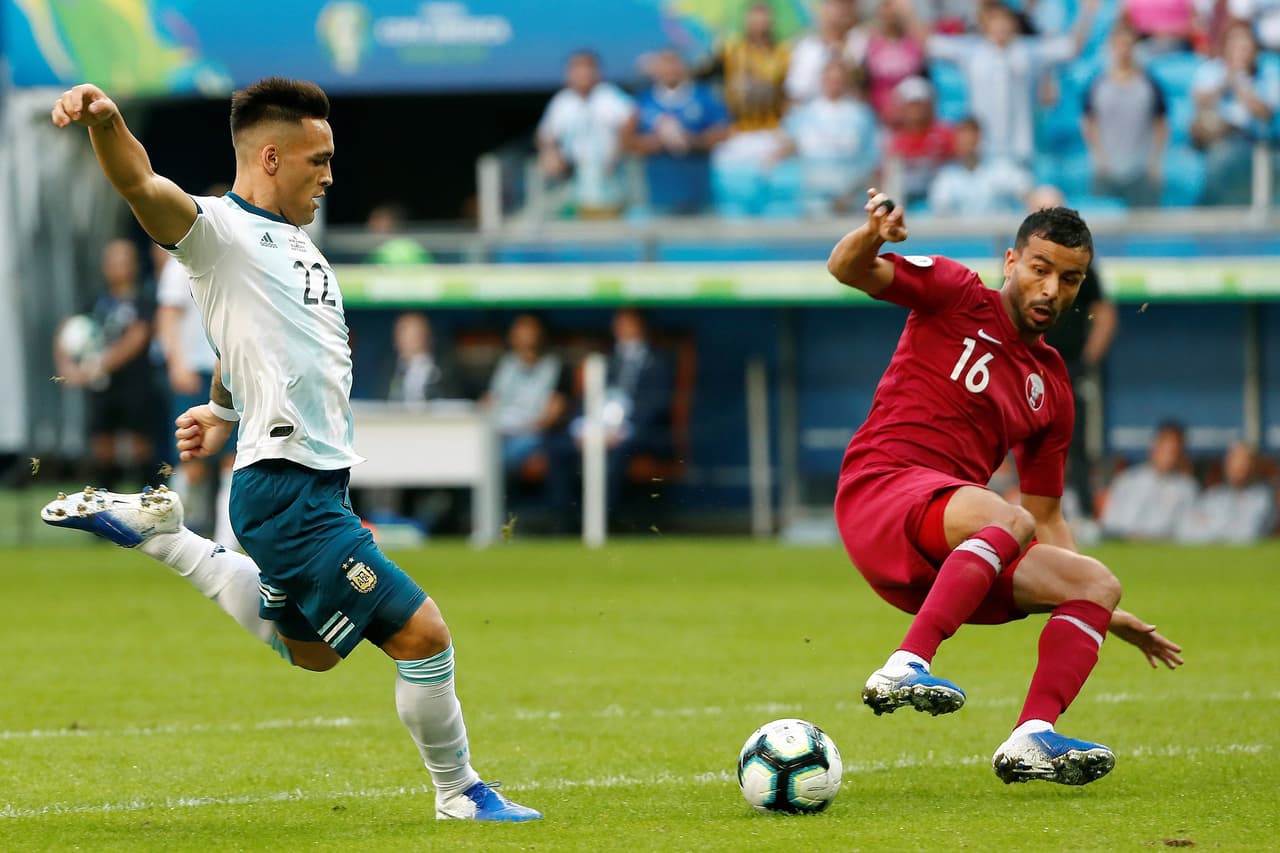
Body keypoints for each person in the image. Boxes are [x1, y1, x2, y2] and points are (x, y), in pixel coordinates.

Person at [41, 78, 541, 822]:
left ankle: (168, 536)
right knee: (424, 634)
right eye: (320, 159)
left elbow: (246, 340)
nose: (330, 174)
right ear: (270, 156)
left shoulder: (298, 249)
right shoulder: (217, 230)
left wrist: (219, 408)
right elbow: (141, 183)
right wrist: (106, 120)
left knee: (310, 651)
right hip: (287, 490)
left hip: (307, 485)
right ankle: (460, 791)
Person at [826, 187, 1182, 787]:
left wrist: (1102, 611)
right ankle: (906, 665)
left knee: (1096, 579)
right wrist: (872, 236)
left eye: (1069, 280)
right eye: (1040, 270)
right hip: (883, 490)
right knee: (1006, 517)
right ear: (1012, 262)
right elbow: (845, 268)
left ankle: (1032, 738)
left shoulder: (1052, 387)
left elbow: (1046, 515)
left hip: (949, 548)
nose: (1051, 290)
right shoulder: (956, 291)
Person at [1032, 185, 1117, 527]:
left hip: (1069, 367)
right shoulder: (1024, 264)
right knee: (1027, 442)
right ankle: (1030, 515)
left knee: (1074, 440)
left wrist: (1087, 360)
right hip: (1031, 367)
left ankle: (1083, 512)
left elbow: (1105, 313)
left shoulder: (1082, 265)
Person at [53, 238, 157, 490]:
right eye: (112, 261)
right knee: (102, 449)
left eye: (123, 260)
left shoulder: (144, 301)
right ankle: (103, 515)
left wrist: (95, 367)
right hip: (102, 389)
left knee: (141, 447)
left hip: (135, 385)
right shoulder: (95, 302)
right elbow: (65, 332)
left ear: (134, 265)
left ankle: (149, 510)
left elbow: (137, 338)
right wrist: (67, 368)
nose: (117, 266)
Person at [154, 238, 238, 547]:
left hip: (230, 371)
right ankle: (167, 534)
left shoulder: (236, 261)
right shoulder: (182, 264)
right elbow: (168, 315)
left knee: (234, 458)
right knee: (191, 458)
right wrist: (176, 363)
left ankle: (225, 542)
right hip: (194, 368)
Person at [623, 48, 731, 215]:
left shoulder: (703, 96)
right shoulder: (644, 101)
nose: (670, 70)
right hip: (659, 195)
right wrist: (657, 141)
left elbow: (724, 132)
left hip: (699, 192)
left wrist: (692, 140)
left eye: (674, 64)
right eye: (665, 65)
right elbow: (628, 141)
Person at [1082, 17, 1169, 208]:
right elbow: (1089, 122)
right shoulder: (1097, 85)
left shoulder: (1149, 84)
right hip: (1107, 170)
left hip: (1141, 170)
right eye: (1120, 43)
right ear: (1112, 46)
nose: (1124, 49)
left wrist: (1155, 160)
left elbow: (1161, 124)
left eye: (1129, 44)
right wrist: (1099, 157)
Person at [536, 50, 634, 218]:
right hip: (575, 179)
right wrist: (550, 152)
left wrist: (619, 149)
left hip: (610, 178)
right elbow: (545, 134)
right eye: (577, 69)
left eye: (589, 68)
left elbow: (631, 117)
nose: (584, 74)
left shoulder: (609, 95)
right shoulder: (562, 101)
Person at [775, 60, 880, 216]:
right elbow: (787, 148)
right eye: (829, 79)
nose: (834, 84)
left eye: (838, 80)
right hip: (812, 193)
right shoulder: (803, 114)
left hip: (850, 193)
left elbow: (872, 157)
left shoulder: (861, 115)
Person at [482, 313, 568, 475]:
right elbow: (489, 400)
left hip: (532, 434)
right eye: (520, 330)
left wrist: (529, 428)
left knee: (499, 457)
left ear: (540, 334)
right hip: (500, 431)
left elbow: (554, 410)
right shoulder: (505, 363)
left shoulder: (553, 366)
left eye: (529, 329)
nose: (524, 335)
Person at [1100, 421, 1201, 540]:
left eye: (1173, 450)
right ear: (1154, 446)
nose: (1168, 455)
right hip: (1125, 545)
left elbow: (1191, 530)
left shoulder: (1187, 487)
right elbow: (1109, 522)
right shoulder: (1127, 480)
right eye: (1164, 447)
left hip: (1167, 549)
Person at [927, 117, 1033, 215]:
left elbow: (1026, 191)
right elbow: (941, 209)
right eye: (963, 142)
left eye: (971, 142)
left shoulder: (1000, 168)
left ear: (980, 139)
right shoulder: (947, 176)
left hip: (999, 234)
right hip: (961, 234)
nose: (968, 148)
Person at [1176, 441, 1276, 543]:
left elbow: (1248, 534)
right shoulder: (1214, 495)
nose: (1238, 467)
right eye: (1234, 460)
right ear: (1226, 464)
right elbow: (1185, 530)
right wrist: (1226, 526)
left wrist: (1210, 523)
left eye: (1244, 462)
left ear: (1253, 466)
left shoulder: (1263, 497)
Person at [383, 312, 459, 403]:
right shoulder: (389, 368)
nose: (409, 339)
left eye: (415, 333)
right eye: (404, 333)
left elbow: (456, 402)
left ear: (427, 336)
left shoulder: (446, 367)